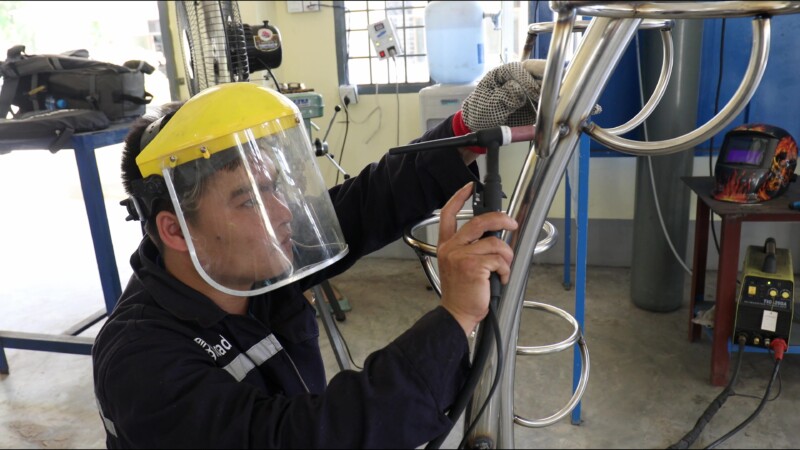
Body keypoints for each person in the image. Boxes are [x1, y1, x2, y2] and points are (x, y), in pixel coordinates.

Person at [92, 61, 544, 449]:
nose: (283, 211)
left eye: (273, 188)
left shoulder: (242, 264)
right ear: (175, 229)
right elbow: (302, 437)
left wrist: (466, 130)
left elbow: (367, 203)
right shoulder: (141, 362)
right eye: (249, 200)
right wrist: (455, 317)